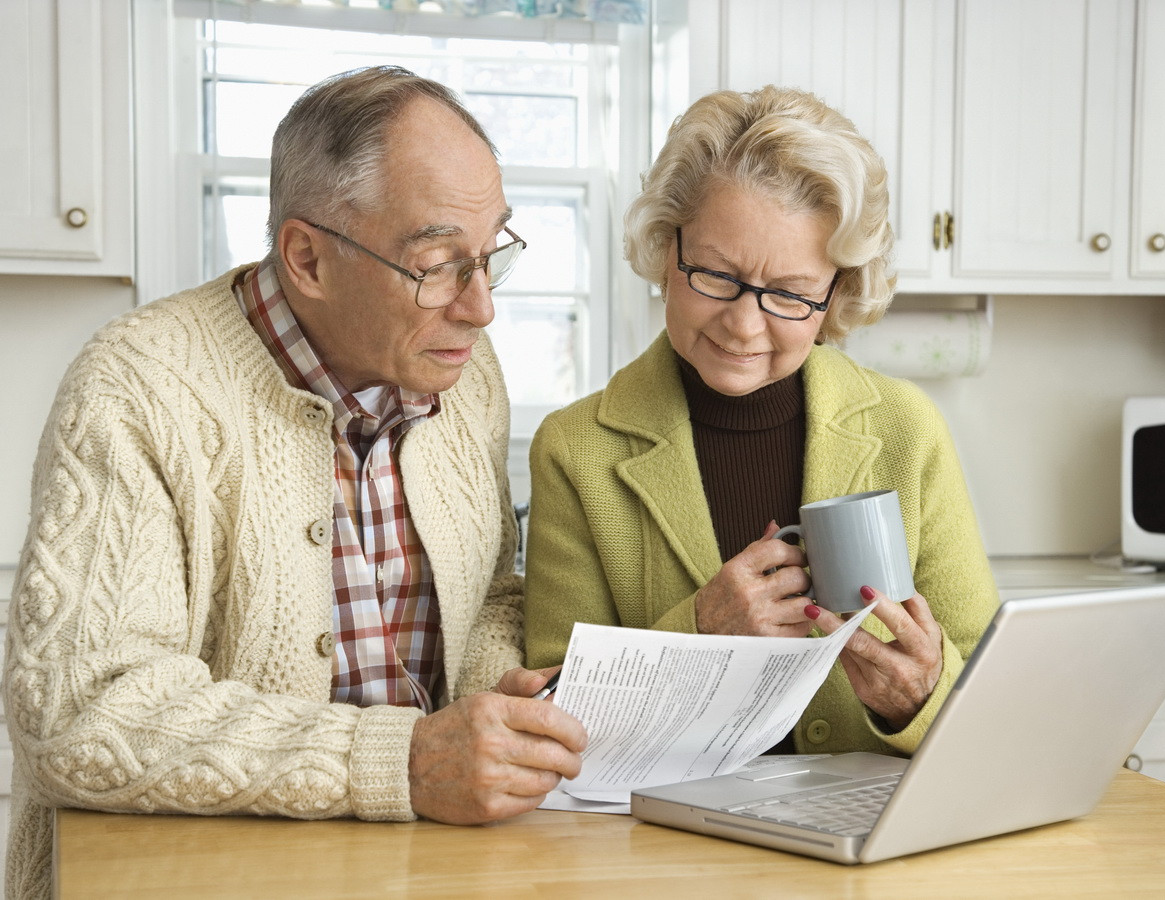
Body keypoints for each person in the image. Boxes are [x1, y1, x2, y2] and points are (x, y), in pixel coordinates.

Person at [3, 66, 585, 898]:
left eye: (492, 254)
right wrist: (406, 762)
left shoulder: (464, 370)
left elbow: (490, 588)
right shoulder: (135, 388)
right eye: (437, 264)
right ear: (307, 258)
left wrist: (498, 700)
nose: (481, 307)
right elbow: (80, 714)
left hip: (422, 871)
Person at [524, 85, 998, 758]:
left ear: (837, 294)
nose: (744, 325)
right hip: (661, 845)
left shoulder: (906, 429)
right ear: (666, 247)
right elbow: (552, 713)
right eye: (715, 275)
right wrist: (700, 632)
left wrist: (922, 697)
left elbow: (989, 692)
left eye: (790, 295)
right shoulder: (576, 450)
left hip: (864, 843)